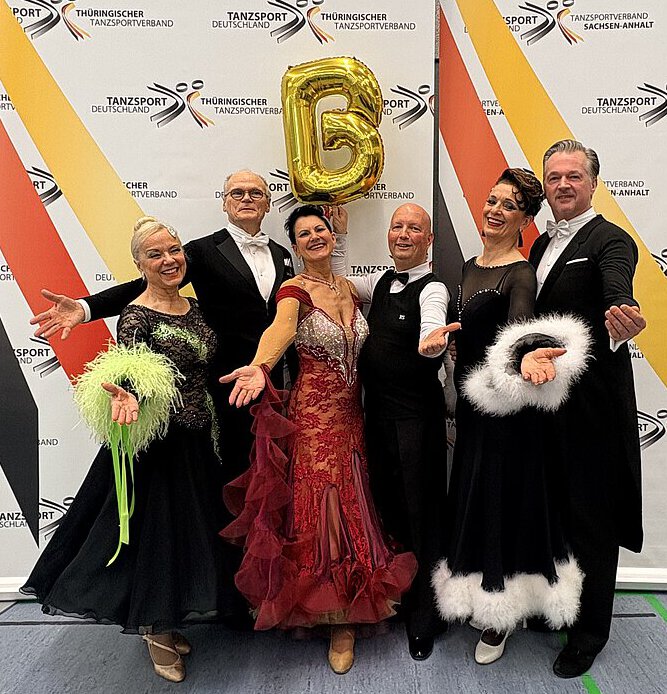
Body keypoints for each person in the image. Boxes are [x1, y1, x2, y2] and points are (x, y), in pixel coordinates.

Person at [21, 217, 241, 683]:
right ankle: (155, 631)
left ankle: (172, 618)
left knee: (192, 533)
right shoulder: (136, 316)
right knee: (156, 537)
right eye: (155, 254)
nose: (168, 260)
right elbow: (133, 368)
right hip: (157, 446)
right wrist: (131, 395)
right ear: (138, 264)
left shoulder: (195, 305)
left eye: (174, 250)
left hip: (203, 439)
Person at [220, 205, 417, 675]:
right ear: (294, 246)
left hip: (353, 417)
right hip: (313, 420)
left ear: (331, 234)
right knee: (325, 508)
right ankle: (336, 617)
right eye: (304, 233)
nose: (314, 237)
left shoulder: (348, 287)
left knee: (355, 504)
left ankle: (349, 604)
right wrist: (262, 366)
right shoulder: (294, 291)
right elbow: (281, 329)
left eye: (320, 229)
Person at [29, 170, 298, 489]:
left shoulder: (282, 254)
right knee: (233, 477)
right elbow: (147, 285)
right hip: (225, 385)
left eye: (256, 193)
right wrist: (86, 308)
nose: (246, 199)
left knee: (272, 475)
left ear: (268, 203)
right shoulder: (202, 250)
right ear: (224, 203)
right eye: (237, 193)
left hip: (272, 380)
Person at [432, 168, 591, 665]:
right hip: (473, 412)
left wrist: (523, 357)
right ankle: (479, 591)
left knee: (501, 502)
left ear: (525, 220)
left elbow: (518, 331)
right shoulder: (469, 265)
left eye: (509, 205)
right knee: (475, 498)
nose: (495, 210)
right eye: (492, 200)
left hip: (507, 414)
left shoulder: (520, 272)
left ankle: (501, 615)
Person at [526, 140, 645, 678]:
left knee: (591, 521)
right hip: (543, 404)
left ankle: (589, 632)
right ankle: (555, 608)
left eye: (574, 176)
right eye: (554, 177)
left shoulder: (611, 239)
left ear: (593, 183)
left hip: (592, 409)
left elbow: (617, 284)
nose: (564, 184)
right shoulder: (538, 245)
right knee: (553, 513)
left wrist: (622, 312)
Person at [332, 203, 458, 661]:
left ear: (429, 240)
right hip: (377, 418)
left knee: (421, 516)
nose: (403, 234)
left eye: (414, 228)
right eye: (397, 226)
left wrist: (433, 344)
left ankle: (426, 617)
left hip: (415, 423)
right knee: (388, 510)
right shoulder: (382, 281)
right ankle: (399, 599)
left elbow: (433, 323)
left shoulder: (433, 288)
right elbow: (340, 284)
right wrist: (340, 238)